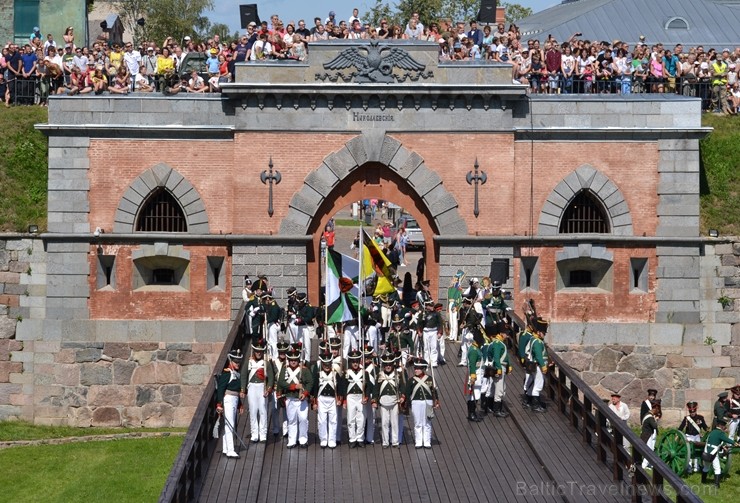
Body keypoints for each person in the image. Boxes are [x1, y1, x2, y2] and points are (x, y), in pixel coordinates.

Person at [277, 347, 313, 448]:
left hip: (302, 399)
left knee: (303, 419)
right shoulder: (285, 369)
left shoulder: (304, 370)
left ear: (298, 360)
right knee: (291, 420)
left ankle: (303, 439)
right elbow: (281, 382)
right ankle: (292, 440)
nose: (293, 362)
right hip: (290, 398)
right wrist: (294, 387)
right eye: (291, 360)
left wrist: (305, 393)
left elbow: (310, 382)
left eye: (295, 360)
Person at [240, 338, 273, 443]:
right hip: (252, 387)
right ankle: (254, 434)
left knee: (263, 410)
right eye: (257, 351)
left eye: (260, 351)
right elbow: (244, 376)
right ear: (254, 351)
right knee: (253, 411)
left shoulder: (266, 363)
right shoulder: (249, 362)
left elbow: (271, 378)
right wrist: (242, 389)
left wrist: (268, 388)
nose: (259, 353)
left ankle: (263, 434)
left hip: (262, 387)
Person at [402, 358, 439, 449]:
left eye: (418, 368)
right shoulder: (411, 380)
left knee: (427, 422)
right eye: (415, 368)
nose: (416, 370)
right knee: (417, 422)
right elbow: (407, 392)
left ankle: (427, 441)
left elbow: (434, 391)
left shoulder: (430, 379)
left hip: (428, 402)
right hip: (416, 402)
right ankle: (418, 441)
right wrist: (404, 400)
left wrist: (436, 401)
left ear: (423, 369)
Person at [215, 349, 244, 458]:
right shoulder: (227, 373)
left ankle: (226, 447)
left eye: (239, 361)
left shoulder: (236, 373)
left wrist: (240, 404)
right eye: (235, 361)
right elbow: (221, 389)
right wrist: (219, 404)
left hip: (234, 399)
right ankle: (230, 450)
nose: (237, 363)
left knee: (230, 424)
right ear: (230, 361)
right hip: (228, 399)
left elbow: (236, 391)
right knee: (230, 425)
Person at [312, 351, 342, 448]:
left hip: (333, 399)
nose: (327, 366)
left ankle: (332, 440)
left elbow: (340, 388)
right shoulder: (318, 374)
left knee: (333, 420)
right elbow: (315, 389)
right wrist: (314, 402)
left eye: (328, 364)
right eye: (325, 364)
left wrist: (340, 399)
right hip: (322, 399)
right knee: (322, 421)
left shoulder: (335, 374)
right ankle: (323, 439)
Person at [373, 352, 402, 447]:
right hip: (383, 402)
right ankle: (385, 442)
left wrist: (402, 397)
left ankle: (395, 441)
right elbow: (376, 389)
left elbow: (402, 387)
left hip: (394, 401)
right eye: (386, 365)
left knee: (394, 423)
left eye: (390, 364)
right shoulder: (380, 375)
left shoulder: (398, 374)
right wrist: (374, 400)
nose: (388, 366)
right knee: (384, 423)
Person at [701, 419, 740, 487]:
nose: (724, 427)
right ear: (721, 426)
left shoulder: (712, 432)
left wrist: (722, 446)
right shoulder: (720, 433)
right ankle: (716, 484)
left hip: (707, 451)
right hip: (714, 452)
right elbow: (726, 439)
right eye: (723, 426)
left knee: (706, 467)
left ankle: (703, 481)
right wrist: (735, 443)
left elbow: (715, 441)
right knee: (717, 468)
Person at [343, 349, 369, 448]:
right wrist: (344, 400)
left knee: (361, 419)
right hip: (351, 397)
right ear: (350, 362)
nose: (355, 363)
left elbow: (367, 387)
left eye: (357, 361)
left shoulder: (364, 373)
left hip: (360, 397)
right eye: (353, 361)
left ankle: (360, 438)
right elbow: (344, 387)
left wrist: (366, 397)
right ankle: (352, 439)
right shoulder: (347, 373)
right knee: (350, 418)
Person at [523, 317, 549, 412]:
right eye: (543, 333)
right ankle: (535, 405)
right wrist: (543, 366)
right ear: (539, 332)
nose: (544, 335)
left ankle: (530, 401)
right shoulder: (537, 342)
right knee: (538, 385)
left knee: (533, 383)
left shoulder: (534, 339)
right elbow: (538, 356)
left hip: (535, 365)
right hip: (538, 366)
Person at [487, 323, 512, 418]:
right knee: (499, 389)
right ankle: (497, 410)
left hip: (501, 367)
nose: (507, 335)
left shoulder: (498, 343)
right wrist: (498, 369)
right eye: (506, 333)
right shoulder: (498, 344)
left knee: (497, 387)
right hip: (499, 367)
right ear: (501, 333)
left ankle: (492, 407)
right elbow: (497, 357)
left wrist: (508, 365)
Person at [678, 401, 709, 473]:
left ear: (695, 410)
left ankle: (696, 467)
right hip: (689, 436)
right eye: (691, 411)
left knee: (696, 452)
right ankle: (688, 467)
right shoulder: (686, 418)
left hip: (697, 436)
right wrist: (678, 434)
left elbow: (705, 427)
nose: (692, 413)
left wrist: (707, 430)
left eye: (693, 411)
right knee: (688, 452)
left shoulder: (700, 418)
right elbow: (681, 427)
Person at [270, 340, 290, 438]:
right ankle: (276, 428)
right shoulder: (273, 362)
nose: (282, 354)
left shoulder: (290, 362)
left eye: (284, 352)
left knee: (286, 410)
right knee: (275, 409)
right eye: (281, 352)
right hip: (275, 388)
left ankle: (286, 430)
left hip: (285, 390)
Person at [466, 329, 485, 422]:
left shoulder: (475, 348)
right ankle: (472, 413)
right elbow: (472, 364)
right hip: (475, 374)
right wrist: (473, 376)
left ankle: (472, 413)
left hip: (478, 374)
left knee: (474, 395)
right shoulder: (474, 350)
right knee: (474, 395)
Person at [419, 298, 443, 367]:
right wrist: (419, 331)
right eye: (430, 305)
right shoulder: (423, 313)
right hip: (426, 332)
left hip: (434, 331)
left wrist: (439, 332)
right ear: (426, 306)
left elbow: (440, 323)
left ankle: (434, 362)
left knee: (434, 347)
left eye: (432, 305)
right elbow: (419, 323)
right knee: (426, 347)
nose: (432, 307)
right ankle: (426, 361)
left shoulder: (436, 314)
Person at [641, 404, 661, 469]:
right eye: (657, 410)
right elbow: (654, 426)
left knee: (649, 449)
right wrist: (656, 420)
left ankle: (648, 463)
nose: (658, 412)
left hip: (647, 434)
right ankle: (644, 464)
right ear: (654, 409)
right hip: (647, 435)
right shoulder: (650, 417)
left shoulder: (647, 415)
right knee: (649, 450)